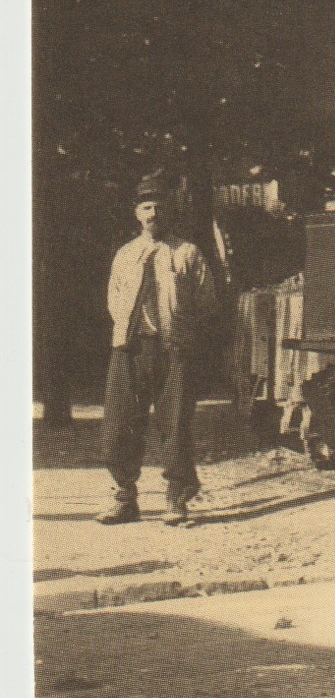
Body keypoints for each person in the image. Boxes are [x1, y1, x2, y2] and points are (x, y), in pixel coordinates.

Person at [98, 173, 220, 526]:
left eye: (160, 207)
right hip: (130, 349)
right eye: (147, 207)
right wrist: (130, 329)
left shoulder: (188, 253)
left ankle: (176, 500)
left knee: (175, 425)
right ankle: (124, 498)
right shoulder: (125, 255)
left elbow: (206, 302)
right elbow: (114, 299)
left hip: (173, 350)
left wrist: (181, 331)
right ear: (137, 213)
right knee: (119, 425)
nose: (153, 214)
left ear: (170, 212)